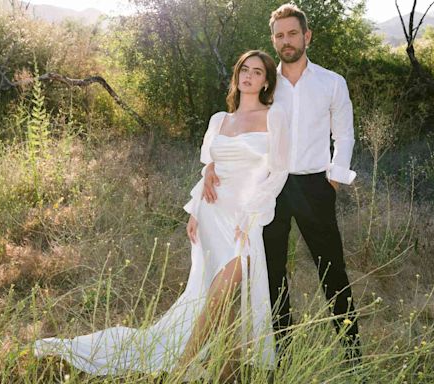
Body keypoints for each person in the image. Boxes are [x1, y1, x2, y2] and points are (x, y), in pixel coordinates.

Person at [33, 50, 290, 381]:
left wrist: (252, 216)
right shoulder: (219, 120)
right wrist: (196, 207)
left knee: (225, 290)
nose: (249, 76)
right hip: (213, 213)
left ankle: (183, 368)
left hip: (245, 217)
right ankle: (225, 369)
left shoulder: (274, 116)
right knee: (218, 296)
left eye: (257, 72)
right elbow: (210, 164)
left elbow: (279, 171)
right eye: (244, 69)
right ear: (237, 75)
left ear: (266, 80)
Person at [202, 4, 362, 362]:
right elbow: (236, 124)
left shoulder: (331, 82)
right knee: (271, 274)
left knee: (332, 271)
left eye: (292, 33)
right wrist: (213, 163)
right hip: (266, 188)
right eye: (279, 35)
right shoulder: (265, 83)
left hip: (313, 186)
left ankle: (354, 358)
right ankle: (282, 356)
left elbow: (345, 135)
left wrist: (333, 181)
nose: (286, 41)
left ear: (306, 36)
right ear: (273, 40)